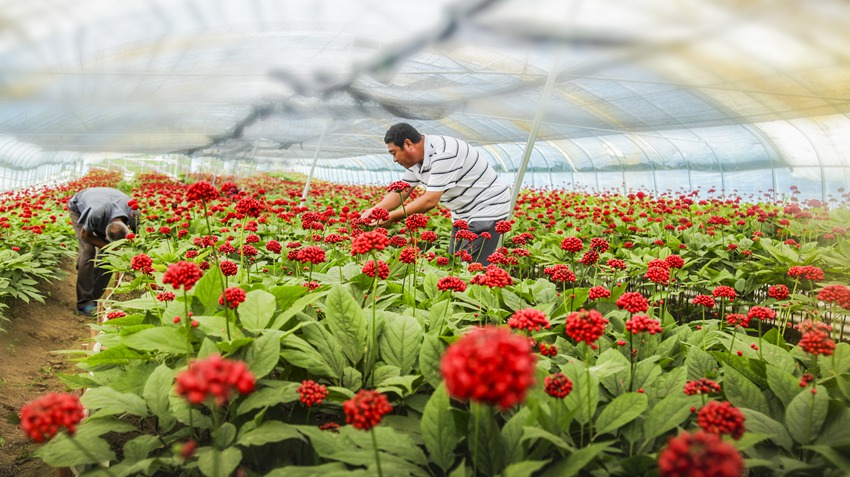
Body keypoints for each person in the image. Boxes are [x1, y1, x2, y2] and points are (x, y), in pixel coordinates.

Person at [360, 123, 512, 265]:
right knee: (454, 264)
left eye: (394, 153)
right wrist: (377, 210)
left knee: (471, 267)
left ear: (408, 144)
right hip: (462, 212)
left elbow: (430, 201)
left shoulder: (445, 153)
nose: (394, 159)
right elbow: (402, 190)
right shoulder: (416, 161)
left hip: (488, 207)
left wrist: (392, 217)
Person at [67, 187, 138, 316]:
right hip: (80, 208)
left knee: (110, 255)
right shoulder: (96, 213)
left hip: (108, 203)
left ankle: (95, 298)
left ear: (128, 227)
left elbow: (138, 238)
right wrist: (108, 246)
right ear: (105, 234)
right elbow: (86, 235)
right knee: (88, 251)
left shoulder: (134, 214)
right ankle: (84, 303)